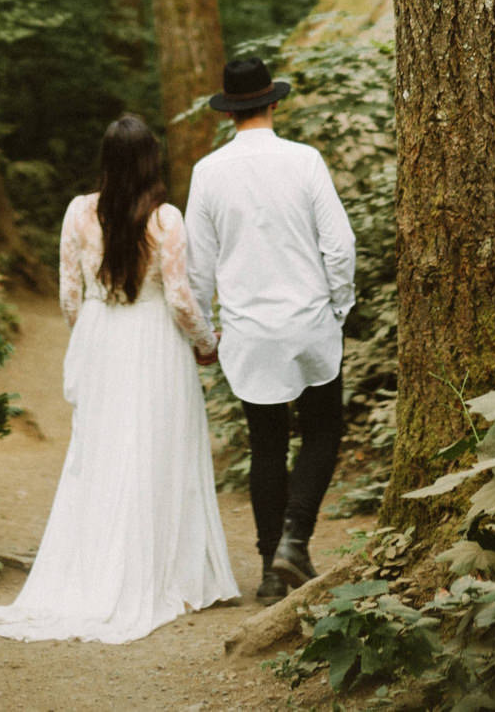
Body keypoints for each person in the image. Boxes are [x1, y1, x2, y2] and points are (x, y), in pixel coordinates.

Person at [0, 113, 238, 644]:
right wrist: (207, 344)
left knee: (97, 455)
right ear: (150, 161)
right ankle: (170, 573)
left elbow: (69, 293)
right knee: (159, 451)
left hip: (101, 336)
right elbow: (182, 298)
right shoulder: (166, 219)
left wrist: (92, 334)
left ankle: (94, 568)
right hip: (154, 341)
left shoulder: (77, 212)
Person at [186, 55, 357, 604]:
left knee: (266, 443)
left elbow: (197, 267)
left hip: (248, 329)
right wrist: (339, 307)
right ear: (273, 101)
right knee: (324, 428)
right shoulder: (304, 161)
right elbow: (339, 245)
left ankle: (267, 570)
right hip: (308, 320)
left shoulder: (208, 173)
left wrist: (206, 337)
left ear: (228, 112)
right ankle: (296, 539)